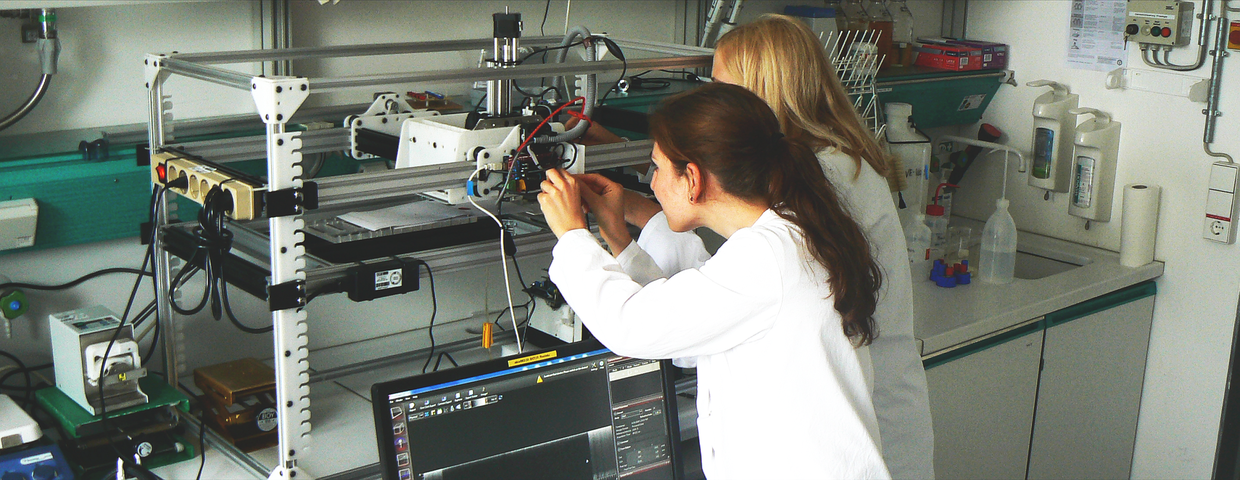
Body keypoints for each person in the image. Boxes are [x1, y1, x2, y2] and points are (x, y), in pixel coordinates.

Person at [586, 14, 936, 479]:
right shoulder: (823, 166)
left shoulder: (821, 180)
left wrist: (581, 237)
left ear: (761, 97)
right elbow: (722, 281)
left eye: (720, 90)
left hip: (864, 432)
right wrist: (631, 207)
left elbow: (724, 280)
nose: (710, 104)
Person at [537, 83, 890, 479]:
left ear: (693, 178)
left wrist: (570, 234)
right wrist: (618, 236)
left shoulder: (764, 260)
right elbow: (693, 331)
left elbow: (630, 325)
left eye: (657, 167)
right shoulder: (787, 234)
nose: (651, 182)